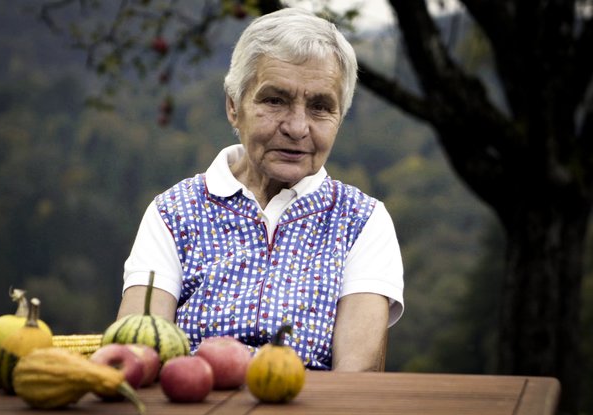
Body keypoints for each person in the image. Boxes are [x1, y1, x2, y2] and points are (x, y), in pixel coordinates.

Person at [117, 7, 404, 371]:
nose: (298, 127)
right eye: (275, 100)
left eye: (320, 107)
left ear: (339, 119)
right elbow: (139, 353)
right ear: (234, 107)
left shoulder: (363, 222)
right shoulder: (173, 212)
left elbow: (355, 380)